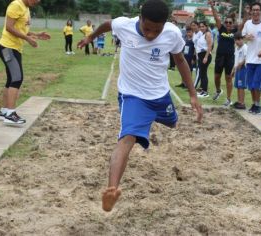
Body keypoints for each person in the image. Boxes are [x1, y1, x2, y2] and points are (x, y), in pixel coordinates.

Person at [77, 0, 203, 212]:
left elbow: (180, 60)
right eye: (147, 29)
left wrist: (193, 95)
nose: (151, 35)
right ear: (140, 18)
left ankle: (148, 119)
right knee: (128, 138)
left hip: (160, 95)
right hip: (133, 96)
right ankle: (112, 189)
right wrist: (91, 36)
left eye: (157, 30)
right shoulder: (124, 25)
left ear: (165, 24)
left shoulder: (172, 33)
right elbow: (107, 25)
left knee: (172, 123)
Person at [0, 0, 50, 125]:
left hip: (15, 48)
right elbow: (9, 27)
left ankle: (4, 111)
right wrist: (27, 39)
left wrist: (36, 34)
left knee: (11, 79)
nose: (37, 2)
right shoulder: (16, 5)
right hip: (7, 47)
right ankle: (10, 113)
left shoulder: (26, 7)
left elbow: (20, 29)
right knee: (17, 78)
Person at [209, 1, 239, 106]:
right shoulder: (221, 29)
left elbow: (244, 24)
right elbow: (217, 18)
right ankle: (218, 91)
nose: (228, 24)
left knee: (228, 78)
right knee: (217, 77)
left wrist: (247, 13)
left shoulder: (235, 31)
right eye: (226, 22)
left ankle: (228, 99)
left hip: (230, 58)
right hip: (219, 57)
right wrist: (212, 6)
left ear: (233, 23)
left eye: (230, 22)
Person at [195, 21, 213, 98]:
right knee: (202, 73)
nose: (201, 28)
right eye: (200, 26)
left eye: (203, 26)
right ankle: (203, 90)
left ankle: (205, 92)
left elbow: (209, 46)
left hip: (205, 55)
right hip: (201, 55)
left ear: (206, 26)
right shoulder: (202, 34)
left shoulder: (208, 34)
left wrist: (206, 57)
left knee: (203, 73)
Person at [231, 32, 248, 109]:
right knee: (238, 86)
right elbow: (236, 60)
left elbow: (246, 58)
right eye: (235, 40)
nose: (237, 41)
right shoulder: (236, 48)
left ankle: (242, 103)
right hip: (237, 69)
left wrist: (241, 63)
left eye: (239, 39)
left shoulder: (245, 47)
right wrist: (233, 69)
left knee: (241, 86)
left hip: (243, 69)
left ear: (242, 39)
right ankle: (239, 101)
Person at [191, 21, 202, 88]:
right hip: (197, 54)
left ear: (198, 26)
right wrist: (194, 57)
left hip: (201, 54)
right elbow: (195, 46)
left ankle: (194, 87)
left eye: (194, 25)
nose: (193, 27)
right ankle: (201, 86)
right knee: (198, 71)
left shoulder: (200, 33)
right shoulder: (194, 33)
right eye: (192, 25)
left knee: (199, 71)